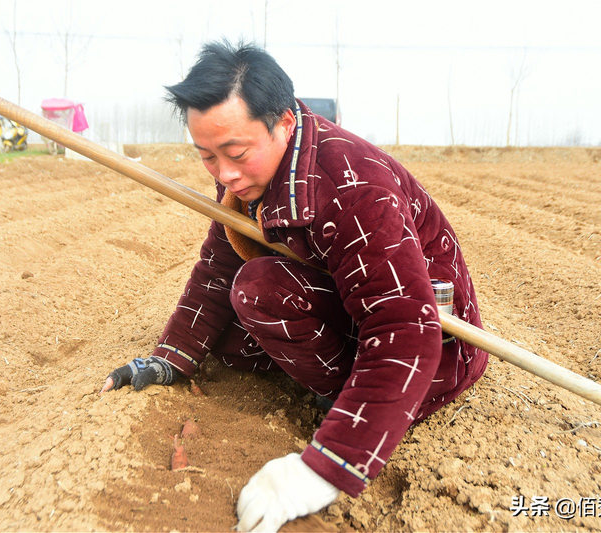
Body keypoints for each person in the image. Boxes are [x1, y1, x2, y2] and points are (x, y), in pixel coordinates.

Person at [101, 40, 488, 532]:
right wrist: (169, 357)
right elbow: (219, 266)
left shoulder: (355, 189)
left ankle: (354, 402)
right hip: (350, 306)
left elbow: (406, 328)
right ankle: (341, 382)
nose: (224, 174)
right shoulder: (248, 177)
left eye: (236, 154)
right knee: (227, 328)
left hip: (435, 350)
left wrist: (325, 467)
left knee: (262, 290)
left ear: (284, 122)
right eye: (206, 157)